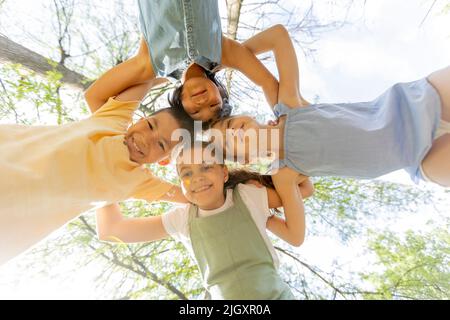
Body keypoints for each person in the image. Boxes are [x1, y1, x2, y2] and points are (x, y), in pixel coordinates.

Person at [0, 65, 194, 266]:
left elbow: (192, 194)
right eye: (151, 125)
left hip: (13, 213)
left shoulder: (138, 181)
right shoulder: (111, 122)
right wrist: (172, 75)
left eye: (161, 144)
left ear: (163, 160)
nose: (147, 139)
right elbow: (146, 71)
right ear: (139, 119)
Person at [211, 24, 450, 187]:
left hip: (417, 103)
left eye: (228, 124)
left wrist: (229, 61)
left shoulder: (289, 109)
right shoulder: (287, 173)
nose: (232, 131)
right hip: (419, 159)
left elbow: (278, 36)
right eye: (227, 140)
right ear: (243, 160)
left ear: (247, 117)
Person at [96, 141, 313, 299]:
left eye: (206, 166)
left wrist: (266, 156)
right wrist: (101, 182)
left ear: (224, 173)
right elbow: (112, 230)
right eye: (186, 173)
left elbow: (303, 187)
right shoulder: (182, 219)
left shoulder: (248, 196)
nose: (196, 177)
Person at [85, 0, 279, 124]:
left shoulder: (151, 65)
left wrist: (117, 144)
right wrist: (284, 121)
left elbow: (94, 97)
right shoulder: (221, 51)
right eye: (213, 105)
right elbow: (267, 82)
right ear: (220, 92)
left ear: (180, 104)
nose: (203, 102)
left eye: (195, 110)